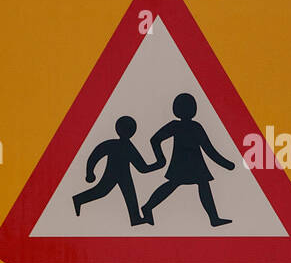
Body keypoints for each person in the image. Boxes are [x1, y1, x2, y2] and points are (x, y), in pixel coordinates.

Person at [141, 93, 235, 227]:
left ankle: (214, 218)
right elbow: (209, 150)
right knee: (183, 185)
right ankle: (148, 207)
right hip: (187, 164)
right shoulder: (191, 126)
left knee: (193, 185)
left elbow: (208, 149)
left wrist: (160, 158)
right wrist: (226, 164)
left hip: (191, 164)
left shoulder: (184, 126)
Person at [72, 115, 158, 226]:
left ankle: (135, 217)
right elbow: (96, 155)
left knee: (129, 195)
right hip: (113, 175)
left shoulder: (124, 145)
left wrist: (157, 165)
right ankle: (78, 199)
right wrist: (89, 172)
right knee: (102, 191)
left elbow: (142, 167)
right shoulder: (119, 145)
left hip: (124, 176)